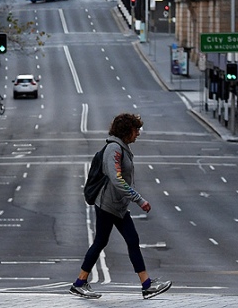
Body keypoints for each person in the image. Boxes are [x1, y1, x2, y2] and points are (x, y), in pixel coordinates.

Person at [69, 113, 171, 300]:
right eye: (135, 129)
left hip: (118, 205)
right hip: (108, 205)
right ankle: (79, 283)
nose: (138, 133)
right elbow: (117, 180)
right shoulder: (114, 149)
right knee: (102, 241)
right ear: (126, 131)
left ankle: (146, 285)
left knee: (130, 240)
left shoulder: (121, 147)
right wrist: (139, 199)